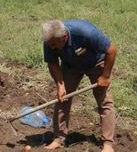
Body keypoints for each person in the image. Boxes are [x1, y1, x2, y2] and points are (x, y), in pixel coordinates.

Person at [41, 20, 117, 152]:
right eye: (50, 44)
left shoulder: (85, 32)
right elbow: (52, 63)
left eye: (54, 45)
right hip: (71, 66)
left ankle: (108, 144)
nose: (51, 47)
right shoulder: (50, 40)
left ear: (64, 37)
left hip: (96, 63)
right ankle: (58, 138)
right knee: (62, 98)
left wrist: (105, 76)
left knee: (105, 102)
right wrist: (60, 85)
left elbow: (111, 50)